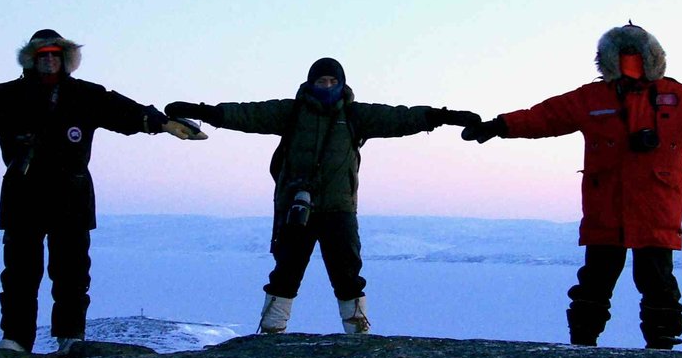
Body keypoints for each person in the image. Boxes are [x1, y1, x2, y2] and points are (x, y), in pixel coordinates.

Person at [461, 24, 682, 349]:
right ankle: (583, 343)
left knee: (656, 283)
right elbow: (543, 116)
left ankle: (660, 345)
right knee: (596, 281)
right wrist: (500, 125)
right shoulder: (591, 98)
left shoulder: (677, 97)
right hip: (608, 206)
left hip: (655, 208)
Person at [0, 29, 205, 352]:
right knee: (20, 274)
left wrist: (163, 124)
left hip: (72, 196)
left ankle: (70, 338)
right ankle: (16, 340)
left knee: (72, 274)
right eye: (43, 56)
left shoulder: (86, 96)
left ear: (66, 59)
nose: (50, 60)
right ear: (32, 60)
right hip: (23, 195)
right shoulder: (8, 97)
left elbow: (126, 111)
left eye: (55, 55)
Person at [166, 58, 476, 336]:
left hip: (338, 209)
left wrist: (442, 117)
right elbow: (249, 114)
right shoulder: (292, 111)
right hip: (296, 206)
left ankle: (357, 334)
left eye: (332, 81)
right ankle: (272, 332)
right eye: (320, 81)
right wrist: (202, 112)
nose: (326, 86)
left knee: (348, 274)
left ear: (341, 84)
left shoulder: (355, 115)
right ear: (310, 83)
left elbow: (399, 118)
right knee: (286, 272)